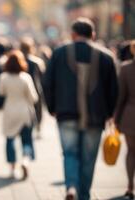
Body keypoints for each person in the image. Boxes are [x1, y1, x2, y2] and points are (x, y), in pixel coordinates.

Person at [42, 18, 118, 200]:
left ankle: (71, 187)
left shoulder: (59, 53)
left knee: (69, 153)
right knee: (88, 158)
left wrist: (52, 107)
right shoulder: (106, 57)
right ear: (93, 35)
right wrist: (109, 113)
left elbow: (47, 83)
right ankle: (84, 195)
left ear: (73, 34)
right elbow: (113, 89)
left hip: (66, 113)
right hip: (95, 116)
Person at [0, 50, 38, 180]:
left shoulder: (3, 77)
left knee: (10, 140)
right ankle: (25, 161)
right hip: (25, 111)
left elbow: (1, 92)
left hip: (10, 111)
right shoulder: (25, 77)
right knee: (26, 140)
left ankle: (12, 169)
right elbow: (33, 97)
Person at [114, 40, 135, 200]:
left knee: (131, 152)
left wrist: (116, 118)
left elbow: (120, 96)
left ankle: (130, 185)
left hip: (130, 117)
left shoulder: (126, 68)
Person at [20, 37, 46, 134]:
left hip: (22, 88)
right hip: (36, 88)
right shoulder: (37, 62)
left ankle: (27, 126)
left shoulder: (19, 60)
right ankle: (38, 125)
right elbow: (43, 77)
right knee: (38, 109)